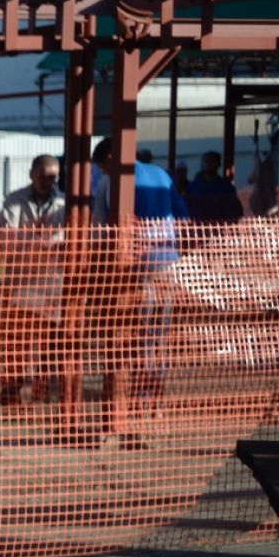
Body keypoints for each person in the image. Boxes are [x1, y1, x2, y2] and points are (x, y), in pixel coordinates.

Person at [83, 136, 183, 449]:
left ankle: (129, 409)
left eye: (101, 166)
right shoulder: (162, 175)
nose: (101, 173)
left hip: (133, 272)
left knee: (128, 341)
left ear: (110, 157)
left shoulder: (112, 182)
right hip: (169, 265)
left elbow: (102, 231)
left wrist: (96, 277)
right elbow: (181, 216)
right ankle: (153, 405)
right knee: (157, 339)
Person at [0, 154, 68, 405]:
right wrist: (43, 241)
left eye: (53, 177)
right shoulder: (14, 200)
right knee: (15, 340)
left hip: (51, 282)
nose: (48, 182)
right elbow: (10, 238)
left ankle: (43, 391)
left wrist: (34, 240)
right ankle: (11, 391)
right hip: (20, 281)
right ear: (32, 174)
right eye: (44, 176)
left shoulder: (64, 203)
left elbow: (64, 239)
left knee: (49, 340)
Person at [185, 151, 245, 224]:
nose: (208, 164)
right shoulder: (192, 187)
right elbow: (185, 209)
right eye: (206, 161)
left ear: (219, 164)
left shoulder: (226, 188)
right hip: (196, 230)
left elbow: (234, 212)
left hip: (219, 230)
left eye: (212, 161)